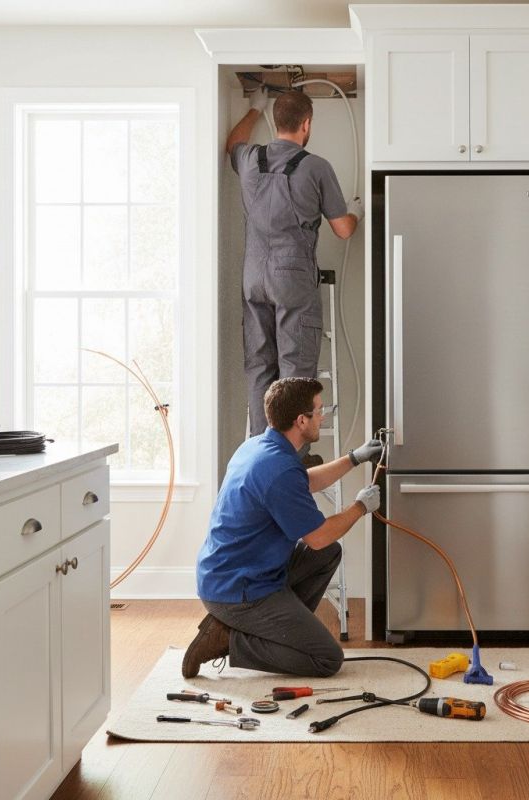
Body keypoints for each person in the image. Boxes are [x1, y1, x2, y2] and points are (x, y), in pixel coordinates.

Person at [183, 377, 381, 679]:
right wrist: (360, 507)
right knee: (327, 659)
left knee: (328, 554)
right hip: (238, 589)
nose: (322, 415)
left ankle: (280, 631)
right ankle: (229, 639)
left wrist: (354, 458)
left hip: (236, 571)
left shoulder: (259, 447)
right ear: (301, 420)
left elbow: (307, 481)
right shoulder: (278, 469)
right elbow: (318, 536)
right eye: (318, 410)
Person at [227, 87, 364, 437]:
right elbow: (344, 229)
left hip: (254, 275)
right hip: (292, 279)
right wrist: (357, 211)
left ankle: (263, 453)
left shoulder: (249, 159)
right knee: (295, 373)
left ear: (277, 122)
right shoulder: (315, 167)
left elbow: (233, 142)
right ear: (306, 124)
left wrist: (255, 107)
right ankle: (291, 459)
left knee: (260, 367)